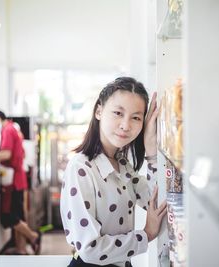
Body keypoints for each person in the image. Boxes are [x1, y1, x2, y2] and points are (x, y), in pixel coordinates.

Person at [60, 77, 167, 267]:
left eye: (136, 117)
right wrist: (146, 235)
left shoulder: (122, 165)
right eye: (118, 113)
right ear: (99, 111)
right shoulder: (81, 167)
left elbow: (157, 201)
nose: (126, 125)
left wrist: (151, 150)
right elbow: (89, 249)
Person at [0, 108, 41, 255]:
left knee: (9, 217)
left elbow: (6, 154)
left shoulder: (7, 130)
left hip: (13, 182)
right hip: (18, 178)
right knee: (18, 216)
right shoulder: (13, 128)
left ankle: (33, 236)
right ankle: (21, 249)